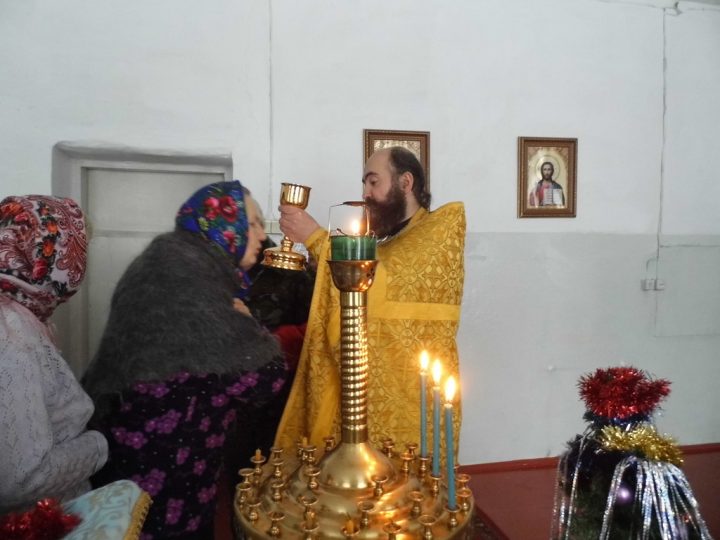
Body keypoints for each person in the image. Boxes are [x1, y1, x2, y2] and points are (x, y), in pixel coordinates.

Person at [82, 181, 289, 539]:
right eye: (253, 222)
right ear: (225, 222)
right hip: (162, 459)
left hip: (146, 444)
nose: (261, 235)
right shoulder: (187, 273)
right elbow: (264, 377)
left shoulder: (174, 257)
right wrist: (249, 322)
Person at [274, 146, 465, 453]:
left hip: (411, 396)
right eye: (364, 183)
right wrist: (320, 264)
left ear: (405, 182)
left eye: (373, 182)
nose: (365, 193)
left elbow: (381, 283)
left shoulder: (437, 232)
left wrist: (314, 236)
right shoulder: (391, 239)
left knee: (407, 477)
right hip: (372, 389)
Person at [0, 195, 108, 513]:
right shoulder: (13, 331)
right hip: (35, 522)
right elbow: (23, 479)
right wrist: (99, 444)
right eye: (77, 250)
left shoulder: (21, 315)